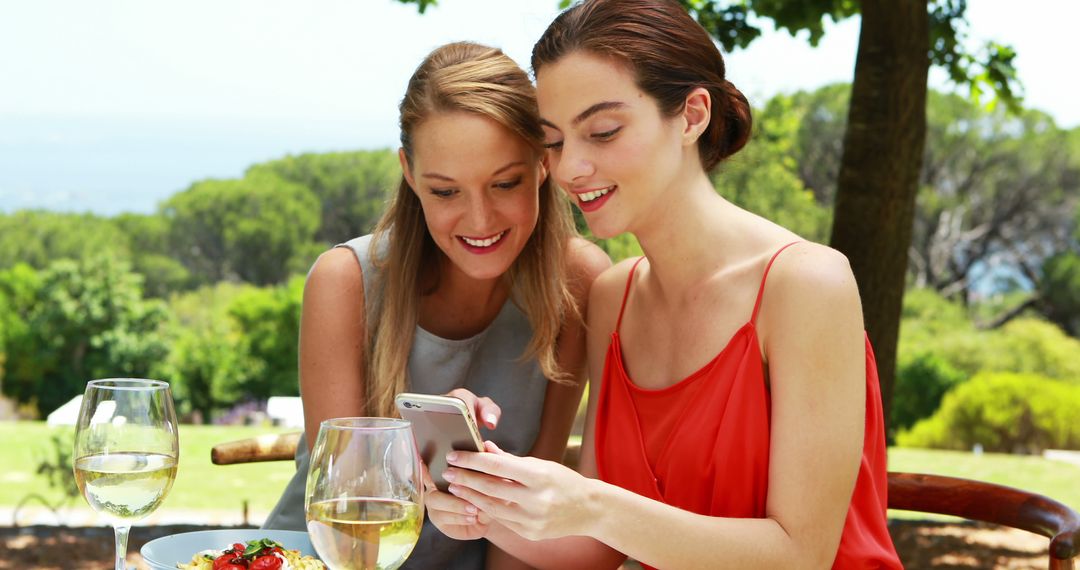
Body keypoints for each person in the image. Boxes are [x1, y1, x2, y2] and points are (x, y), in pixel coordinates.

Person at [424, 1, 903, 568]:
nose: (571, 167)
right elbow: (598, 548)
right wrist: (480, 491)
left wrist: (593, 504)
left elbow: (802, 556)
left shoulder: (805, 285)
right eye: (553, 141)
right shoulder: (613, 298)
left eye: (603, 131)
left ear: (693, 115)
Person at [263, 41, 610, 570]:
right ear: (408, 171)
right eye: (445, 191)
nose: (479, 220)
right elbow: (347, 514)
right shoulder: (345, 281)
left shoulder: (579, 282)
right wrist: (420, 449)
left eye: (505, 183)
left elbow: (530, 527)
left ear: (544, 163)